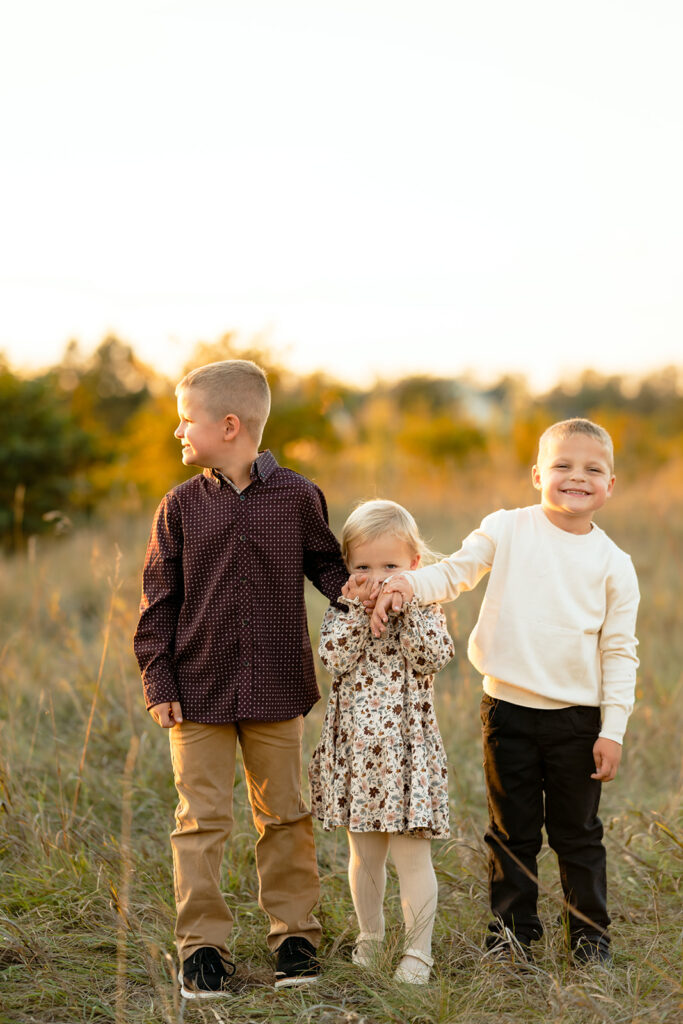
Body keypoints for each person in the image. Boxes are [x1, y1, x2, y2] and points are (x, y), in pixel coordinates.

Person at [370, 419, 639, 966]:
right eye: (562, 465)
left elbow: (619, 652)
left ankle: (590, 939)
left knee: (577, 835)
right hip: (508, 712)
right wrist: (405, 583)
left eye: (592, 469)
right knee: (511, 832)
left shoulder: (615, 564)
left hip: (578, 720)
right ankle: (513, 936)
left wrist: (612, 730)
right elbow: (454, 574)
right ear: (538, 474)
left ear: (611, 484)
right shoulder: (509, 527)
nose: (576, 477)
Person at [133, 359, 349, 997]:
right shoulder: (179, 506)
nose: (178, 431)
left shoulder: (299, 496)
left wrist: (369, 594)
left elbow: (327, 568)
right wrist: (159, 680)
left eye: (185, 420)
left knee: (283, 816)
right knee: (199, 821)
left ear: (229, 425)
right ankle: (201, 948)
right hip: (196, 690)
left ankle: (295, 939)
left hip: (279, 686)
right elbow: (158, 601)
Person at [308, 499, 455, 984]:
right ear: (348, 568)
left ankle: (418, 953)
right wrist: (355, 608)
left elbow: (432, 656)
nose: (377, 577)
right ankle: (370, 936)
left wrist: (403, 604)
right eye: (364, 566)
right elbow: (334, 657)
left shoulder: (427, 607)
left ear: (414, 564)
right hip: (358, 758)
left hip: (406, 756)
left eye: (390, 566)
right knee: (364, 856)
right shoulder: (342, 609)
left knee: (412, 856)